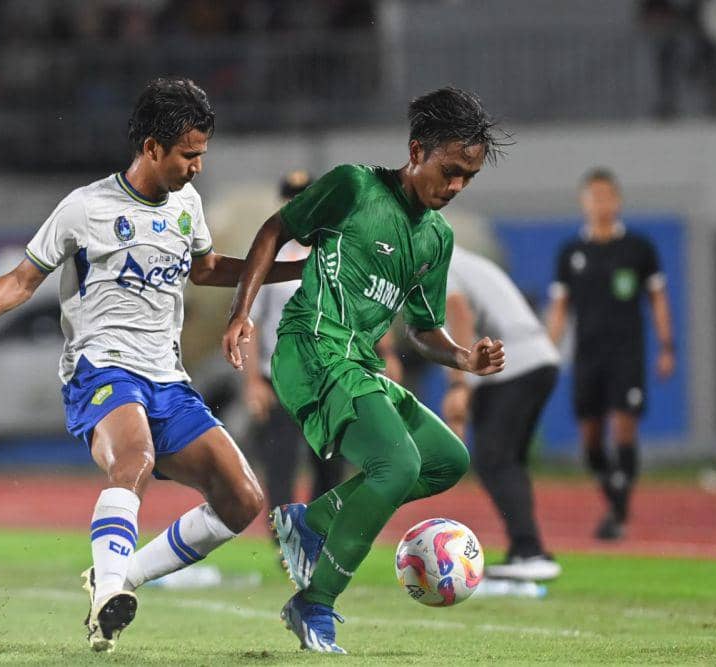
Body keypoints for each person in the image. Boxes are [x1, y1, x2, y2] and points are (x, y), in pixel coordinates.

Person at [0, 78, 304, 652]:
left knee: (243, 498)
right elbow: (23, 279)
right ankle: (112, 584)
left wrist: (291, 271)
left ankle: (117, 582)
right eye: (188, 155)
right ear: (151, 147)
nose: (197, 167)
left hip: (167, 376)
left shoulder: (187, 206)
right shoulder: (86, 208)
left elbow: (207, 268)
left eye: (202, 155)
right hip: (102, 368)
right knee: (134, 459)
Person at [222, 87, 509, 654]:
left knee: (448, 461)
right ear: (415, 150)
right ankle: (316, 602)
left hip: (356, 363)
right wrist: (240, 314)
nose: (454, 187)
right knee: (397, 464)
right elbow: (273, 231)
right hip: (309, 349)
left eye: (467, 179)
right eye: (449, 171)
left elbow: (424, 329)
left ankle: (314, 519)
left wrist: (463, 357)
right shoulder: (354, 187)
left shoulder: (436, 236)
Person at [243, 171, 404, 513]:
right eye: (292, 197)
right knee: (281, 463)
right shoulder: (269, 255)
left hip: (331, 376)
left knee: (331, 464)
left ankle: (317, 533)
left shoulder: (341, 249)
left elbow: (368, 305)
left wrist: (386, 353)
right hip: (281, 377)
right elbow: (250, 322)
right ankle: (286, 542)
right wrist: (253, 381)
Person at [547, 168, 675, 541]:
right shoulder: (571, 253)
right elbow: (559, 309)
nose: (601, 204)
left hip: (627, 353)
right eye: (594, 197)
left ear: (617, 201)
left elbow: (658, 299)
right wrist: (547, 352)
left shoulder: (638, 248)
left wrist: (667, 346)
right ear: (583, 203)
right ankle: (615, 498)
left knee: (623, 425)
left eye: (607, 196)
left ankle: (617, 512)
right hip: (589, 356)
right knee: (590, 438)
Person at [442, 245, 561, 581]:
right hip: (537, 359)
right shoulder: (468, 259)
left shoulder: (434, 256)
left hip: (511, 365)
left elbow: (458, 311)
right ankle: (526, 549)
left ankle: (529, 550)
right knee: (507, 461)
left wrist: (459, 385)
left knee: (495, 459)